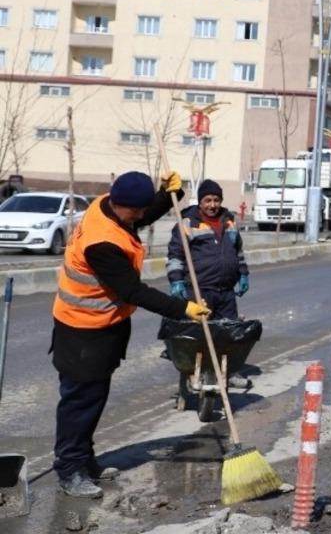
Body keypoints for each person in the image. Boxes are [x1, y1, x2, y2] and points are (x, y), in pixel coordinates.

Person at [51, 171, 210, 499]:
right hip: (82, 330)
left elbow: (142, 214)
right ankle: (69, 469)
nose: (141, 216)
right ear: (122, 205)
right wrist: (184, 309)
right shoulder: (102, 243)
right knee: (79, 403)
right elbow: (132, 290)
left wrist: (169, 196)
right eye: (137, 211)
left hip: (101, 327)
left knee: (93, 400)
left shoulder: (108, 206)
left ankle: (84, 460)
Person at [166, 179, 251, 387]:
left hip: (225, 291)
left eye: (216, 200)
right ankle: (192, 371)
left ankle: (229, 371)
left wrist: (243, 273)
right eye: (208, 200)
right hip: (199, 289)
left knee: (229, 333)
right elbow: (175, 255)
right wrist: (176, 280)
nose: (212, 205)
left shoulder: (229, 221)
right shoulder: (187, 222)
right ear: (200, 201)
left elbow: (237, 251)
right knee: (197, 336)